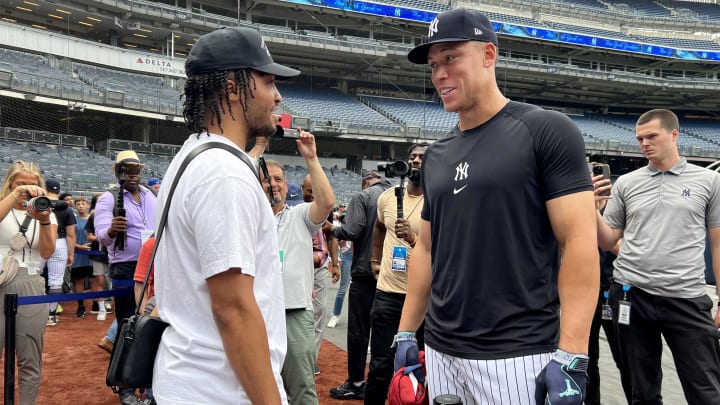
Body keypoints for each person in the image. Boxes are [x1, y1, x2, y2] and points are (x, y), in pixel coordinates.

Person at [395, 8, 599, 404]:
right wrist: (407, 330)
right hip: (439, 349)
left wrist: (573, 352)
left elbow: (578, 241)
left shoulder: (546, 130)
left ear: (489, 55)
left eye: (451, 58)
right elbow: (427, 248)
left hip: (518, 352)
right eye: (434, 64)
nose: (439, 74)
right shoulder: (436, 155)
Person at [152, 26, 300, 404]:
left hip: (194, 378)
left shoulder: (192, 156)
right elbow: (232, 309)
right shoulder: (223, 172)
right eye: (267, 81)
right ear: (233, 87)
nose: (277, 95)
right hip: (222, 389)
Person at [595, 108, 720, 405]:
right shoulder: (627, 183)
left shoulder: (708, 181)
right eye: (640, 138)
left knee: (706, 391)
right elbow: (607, 239)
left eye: (652, 136)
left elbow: (717, 244)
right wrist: (592, 209)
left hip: (685, 297)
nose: (644, 143)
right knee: (642, 391)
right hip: (630, 295)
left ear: (674, 135)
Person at [262, 153, 334, 404]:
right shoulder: (249, 219)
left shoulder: (299, 215)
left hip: (293, 311)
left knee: (301, 387)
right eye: (266, 179)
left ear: (285, 183)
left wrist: (312, 158)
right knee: (257, 385)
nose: (273, 183)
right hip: (256, 313)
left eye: (278, 178)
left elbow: (325, 202)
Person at [365, 143, 428, 404]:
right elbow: (379, 226)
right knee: (380, 366)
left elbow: (444, 248)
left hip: (424, 297)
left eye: (422, 157)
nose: (415, 160)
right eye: (412, 156)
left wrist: (413, 239)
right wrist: (375, 259)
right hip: (388, 293)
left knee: (419, 366)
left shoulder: (440, 199)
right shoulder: (387, 196)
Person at [94, 150, 157, 405]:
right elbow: (101, 236)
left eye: (135, 170)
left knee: (151, 324)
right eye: (126, 170)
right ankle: (124, 386)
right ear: (117, 171)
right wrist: (111, 230)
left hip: (153, 264)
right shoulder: (108, 198)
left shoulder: (151, 195)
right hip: (125, 268)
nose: (132, 176)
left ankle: (148, 385)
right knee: (128, 327)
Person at [329, 170, 392, 400]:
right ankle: (384, 385)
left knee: (359, 332)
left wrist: (333, 229)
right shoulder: (397, 195)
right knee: (386, 334)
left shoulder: (363, 196)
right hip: (392, 277)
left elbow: (352, 230)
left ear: (366, 182)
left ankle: (356, 382)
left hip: (366, 274)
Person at [0, 160, 58, 405]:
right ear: (10, 183)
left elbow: (47, 252)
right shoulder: (4, 206)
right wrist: (14, 197)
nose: (26, 189)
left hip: (31, 284)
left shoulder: (47, 213)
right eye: (20, 183)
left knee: (30, 360)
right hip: (1, 280)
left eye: (32, 185)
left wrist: (44, 219)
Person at [301, 174, 340, 375]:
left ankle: (311, 360)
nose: (313, 196)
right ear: (302, 188)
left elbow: (331, 237)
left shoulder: (326, 208)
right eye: (309, 191)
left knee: (319, 311)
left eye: (316, 192)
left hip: (320, 266)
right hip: (296, 265)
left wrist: (335, 263)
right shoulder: (294, 207)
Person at [43, 178, 76, 326]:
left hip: (42, 240)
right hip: (60, 242)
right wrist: (71, 253)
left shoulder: (40, 203)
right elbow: (71, 234)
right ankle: (51, 315)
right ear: (58, 191)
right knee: (56, 282)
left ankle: (31, 312)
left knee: (32, 276)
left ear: (45, 188)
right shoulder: (67, 208)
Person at [70, 195, 93, 318]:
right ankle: (80, 306)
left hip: (92, 255)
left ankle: (96, 304)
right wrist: (79, 247)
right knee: (78, 281)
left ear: (88, 205)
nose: (80, 206)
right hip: (78, 255)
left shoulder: (93, 219)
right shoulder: (73, 220)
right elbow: (70, 237)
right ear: (75, 206)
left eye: (83, 203)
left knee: (96, 280)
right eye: (78, 204)